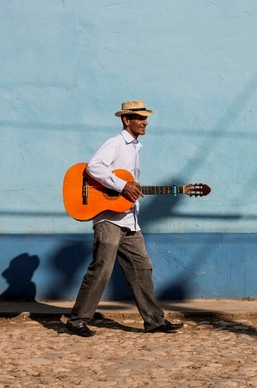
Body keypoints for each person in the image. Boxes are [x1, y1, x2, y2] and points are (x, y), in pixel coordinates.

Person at [65, 100, 183, 337]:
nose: (145, 122)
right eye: (140, 118)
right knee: (102, 269)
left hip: (129, 220)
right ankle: (77, 320)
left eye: (146, 117)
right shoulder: (116, 143)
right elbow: (94, 167)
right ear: (126, 120)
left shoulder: (135, 148)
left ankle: (154, 321)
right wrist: (122, 185)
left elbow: (127, 187)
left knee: (142, 268)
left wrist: (127, 189)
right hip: (108, 220)